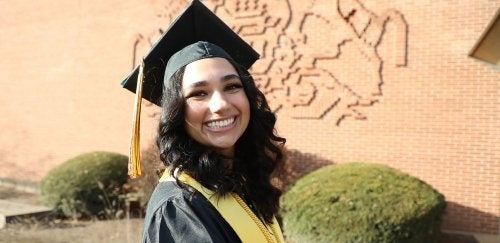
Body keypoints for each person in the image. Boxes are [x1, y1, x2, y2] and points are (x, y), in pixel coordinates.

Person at [121, 1, 286, 242]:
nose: (220, 105)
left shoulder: (239, 180)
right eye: (199, 93)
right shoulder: (179, 209)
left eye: (232, 86)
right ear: (177, 112)